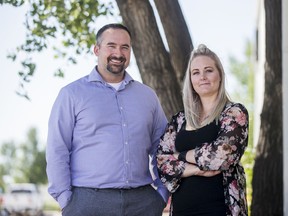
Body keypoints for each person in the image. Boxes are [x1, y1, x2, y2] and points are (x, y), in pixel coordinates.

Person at [46, 23, 169, 216]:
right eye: (111, 46)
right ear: (97, 49)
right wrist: (65, 200)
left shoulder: (147, 96)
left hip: (143, 202)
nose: (118, 53)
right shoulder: (72, 94)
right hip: (87, 202)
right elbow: (57, 149)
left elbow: (162, 148)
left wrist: (162, 193)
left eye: (125, 47)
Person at [156, 44, 249, 216]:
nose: (203, 77)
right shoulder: (179, 120)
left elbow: (222, 156)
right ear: (190, 80)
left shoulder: (234, 112)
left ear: (220, 75)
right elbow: (162, 161)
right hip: (182, 211)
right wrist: (197, 169)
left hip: (220, 209)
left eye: (208, 70)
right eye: (196, 72)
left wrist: (180, 156)